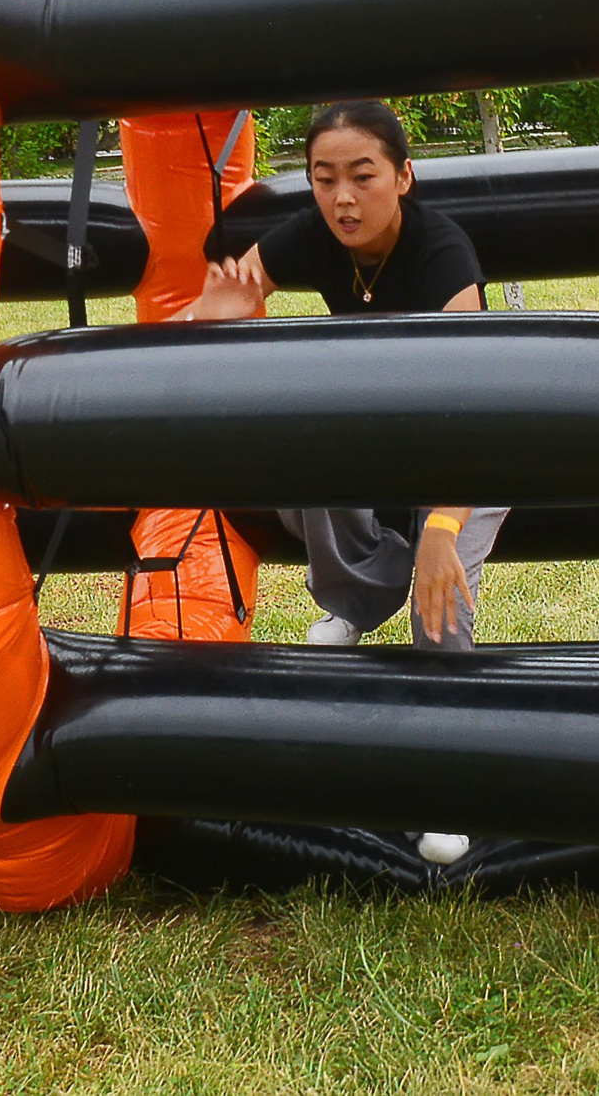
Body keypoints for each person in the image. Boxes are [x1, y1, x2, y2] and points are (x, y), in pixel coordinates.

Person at [186, 98, 503, 865]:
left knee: (441, 580)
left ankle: (448, 784)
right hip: (379, 436)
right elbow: (195, 341)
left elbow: (484, 408)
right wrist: (217, 316)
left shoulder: (443, 257)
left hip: (471, 446)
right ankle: (356, 598)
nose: (343, 198)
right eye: (324, 178)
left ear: (404, 175)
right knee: (306, 430)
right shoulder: (309, 236)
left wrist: (442, 528)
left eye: (363, 176)